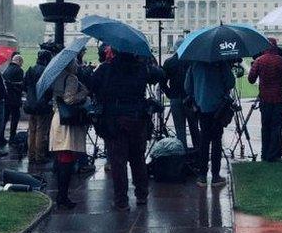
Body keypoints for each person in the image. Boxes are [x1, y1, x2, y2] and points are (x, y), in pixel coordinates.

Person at [92, 50, 162, 210]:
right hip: (137, 119)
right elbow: (158, 74)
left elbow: (93, 86)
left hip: (114, 120)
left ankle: (121, 200)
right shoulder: (141, 68)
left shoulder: (106, 69)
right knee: (138, 160)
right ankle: (142, 194)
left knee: (118, 162)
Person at [185, 61, 235, 187]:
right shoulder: (221, 64)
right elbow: (230, 83)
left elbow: (187, 87)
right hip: (218, 107)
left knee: (204, 141)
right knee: (217, 141)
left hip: (201, 108)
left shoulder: (194, 65)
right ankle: (215, 175)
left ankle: (202, 176)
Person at [49, 59, 90, 209]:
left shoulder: (57, 77)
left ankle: (62, 195)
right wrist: (83, 94)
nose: (78, 65)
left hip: (58, 117)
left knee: (61, 158)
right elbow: (69, 99)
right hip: (68, 121)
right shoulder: (71, 78)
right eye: (75, 63)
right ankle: (63, 196)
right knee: (67, 158)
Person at [248, 37, 282, 162]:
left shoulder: (259, 60)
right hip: (279, 98)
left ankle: (265, 152)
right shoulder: (281, 61)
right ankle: (273, 153)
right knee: (276, 126)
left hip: (265, 98)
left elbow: (251, 79)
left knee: (265, 126)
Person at [162, 40, 199, 151]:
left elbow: (163, 82)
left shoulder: (169, 62)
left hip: (175, 98)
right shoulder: (191, 61)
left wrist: (169, 94)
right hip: (190, 98)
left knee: (180, 129)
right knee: (194, 127)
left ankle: (182, 154)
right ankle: (198, 152)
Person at [24, 50, 54, 164]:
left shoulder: (30, 69)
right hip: (42, 105)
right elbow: (50, 90)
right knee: (41, 131)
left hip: (31, 104)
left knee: (32, 131)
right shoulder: (46, 71)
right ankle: (39, 156)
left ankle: (30, 155)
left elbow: (24, 85)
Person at [2, 54, 24, 144]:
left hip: (6, 98)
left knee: (5, 118)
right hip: (15, 99)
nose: (22, 65)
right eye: (21, 62)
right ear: (18, 61)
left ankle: (0, 136)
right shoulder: (19, 70)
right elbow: (20, 85)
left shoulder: (6, 70)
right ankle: (12, 137)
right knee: (15, 118)